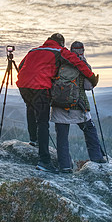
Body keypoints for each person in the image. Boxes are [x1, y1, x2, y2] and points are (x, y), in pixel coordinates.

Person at [17, 34, 99, 173]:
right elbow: (78, 63)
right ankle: (44, 161)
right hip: (41, 87)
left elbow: (21, 66)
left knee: (30, 108)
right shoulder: (59, 51)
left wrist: (29, 78)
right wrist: (92, 77)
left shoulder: (33, 51)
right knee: (42, 122)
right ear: (61, 43)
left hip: (23, 85)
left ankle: (33, 139)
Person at [51, 41, 106, 173]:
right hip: (78, 106)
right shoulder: (82, 65)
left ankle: (65, 166)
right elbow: (88, 86)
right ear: (82, 51)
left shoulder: (60, 62)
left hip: (58, 106)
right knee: (90, 130)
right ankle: (97, 158)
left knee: (62, 137)